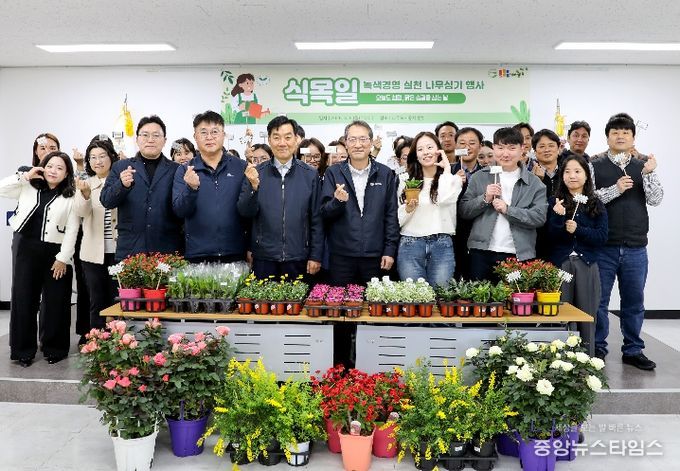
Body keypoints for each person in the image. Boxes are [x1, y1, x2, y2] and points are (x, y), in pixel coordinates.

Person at [592, 115, 663, 370]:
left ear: (633, 138)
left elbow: (656, 199)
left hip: (636, 246)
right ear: (607, 137)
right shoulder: (594, 165)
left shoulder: (643, 165)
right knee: (599, 302)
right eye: (615, 132)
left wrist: (650, 173)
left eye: (625, 132)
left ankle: (633, 350)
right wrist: (616, 189)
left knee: (634, 302)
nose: (620, 136)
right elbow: (589, 200)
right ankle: (597, 348)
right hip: (604, 246)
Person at [0, 152, 79, 367]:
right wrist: (24, 176)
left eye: (60, 168)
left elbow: (72, 229)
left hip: (56, 252)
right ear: (42, 167)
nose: (53, 171)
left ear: (67, 174)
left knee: (57, 301)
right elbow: (2, 188)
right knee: (24, 298)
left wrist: (63, 258)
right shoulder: (28, 185)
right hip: (25, 247)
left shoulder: (71, 195)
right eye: (50, 166)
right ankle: (23, 351)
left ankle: (55, 348)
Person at [237, 115, 323, 280]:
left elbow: (316, 219)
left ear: (296, 139)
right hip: (264, 257)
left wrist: (315, 255)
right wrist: (253, 188)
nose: (282, 143)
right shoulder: (256, 173)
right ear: (269, 140)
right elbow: (245, 213)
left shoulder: (310, 175)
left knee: (297, 297)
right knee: (264, 297)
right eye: (276, 137)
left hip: (299, 256)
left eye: (287, 137)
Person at [460, 127, 547, 281]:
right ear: (494, 148)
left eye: (512, 148)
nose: (505, 154)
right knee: (478, 296)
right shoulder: (480, 177)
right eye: (500, 148)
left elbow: (539, 218)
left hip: (518, 254)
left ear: (522, 149)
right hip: (481, 252)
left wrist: (508, 210)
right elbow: (464, 211)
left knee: (513, 297)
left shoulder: (535, 183)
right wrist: (485, 198)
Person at [321, 120, 399, 286]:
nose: (358, 145)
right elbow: (324, 213)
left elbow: (391, 215)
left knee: (374, 301)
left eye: (363, 139)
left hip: (376, 256)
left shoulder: (385, 173)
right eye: (352, 139)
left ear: (371, 143)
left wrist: (390, 250)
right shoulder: (333, 173)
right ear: (346, 143)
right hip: (341, 256)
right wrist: (338, 201)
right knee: (341, 300)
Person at [547, 154, 608, 354]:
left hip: (587, 263)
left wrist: (578, 230)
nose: (572, 176)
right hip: (562, 263)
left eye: (577, 171)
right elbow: (550, 237)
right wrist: (558, 217)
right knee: (560, 312)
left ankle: (586, 357)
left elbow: (602, 237)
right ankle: (559, 358)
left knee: (587, 312)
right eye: (567, 171)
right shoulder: (555, 201)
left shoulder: (596, 203)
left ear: (586, 175)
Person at [101, 115, 183, 259]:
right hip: (131, 250)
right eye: (145, 135)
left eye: (156, 135)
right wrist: (121, 185)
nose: (150, 140)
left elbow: (182, 208)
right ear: (137, 139)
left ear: (164, 140)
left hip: (166, 250)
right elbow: (106, 201)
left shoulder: (176, 169)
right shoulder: (120, 166)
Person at [173, 111, 248, 263]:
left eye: (214, 132)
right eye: (203, 132)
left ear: (223, 135)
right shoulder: (185, 170)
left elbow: (249, 212)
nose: (209, 137)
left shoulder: (240, 167)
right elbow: (180, 211)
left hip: (235, 252)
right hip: (198, 254)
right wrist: (191, 189)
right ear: (195, 136)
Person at [397, 132, 462, 286]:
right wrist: (408, 209)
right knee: (414, 296)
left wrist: (447, 170)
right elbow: (398, 219)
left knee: (441, 295)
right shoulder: (405, 180)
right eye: (420, 149)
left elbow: (444, 199)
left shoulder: (453, 180)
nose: (425, 152)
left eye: (430, 147)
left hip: (442, 244)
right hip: (410, 243)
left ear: (438, 150)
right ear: (415, 155)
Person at [75, 140, 119, 332]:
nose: (98, 161)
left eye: (102, 156)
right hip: (92, 254)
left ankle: (120, 341)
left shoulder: (120, 181)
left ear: (111, 157)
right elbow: (80, 212)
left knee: (117, 299)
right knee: (97, 300)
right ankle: (97, 341)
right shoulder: (87, 183)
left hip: (118, 252)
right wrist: (85, 195)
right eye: (93, 157)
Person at [452, 127, 484, 279]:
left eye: (472, 143)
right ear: (456, 146)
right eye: (462, 143)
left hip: (479, 234)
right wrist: (453, 183)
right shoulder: (447, 172)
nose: (467, 147)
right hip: (454, 234)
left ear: (480, 146)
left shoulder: (488, 174)